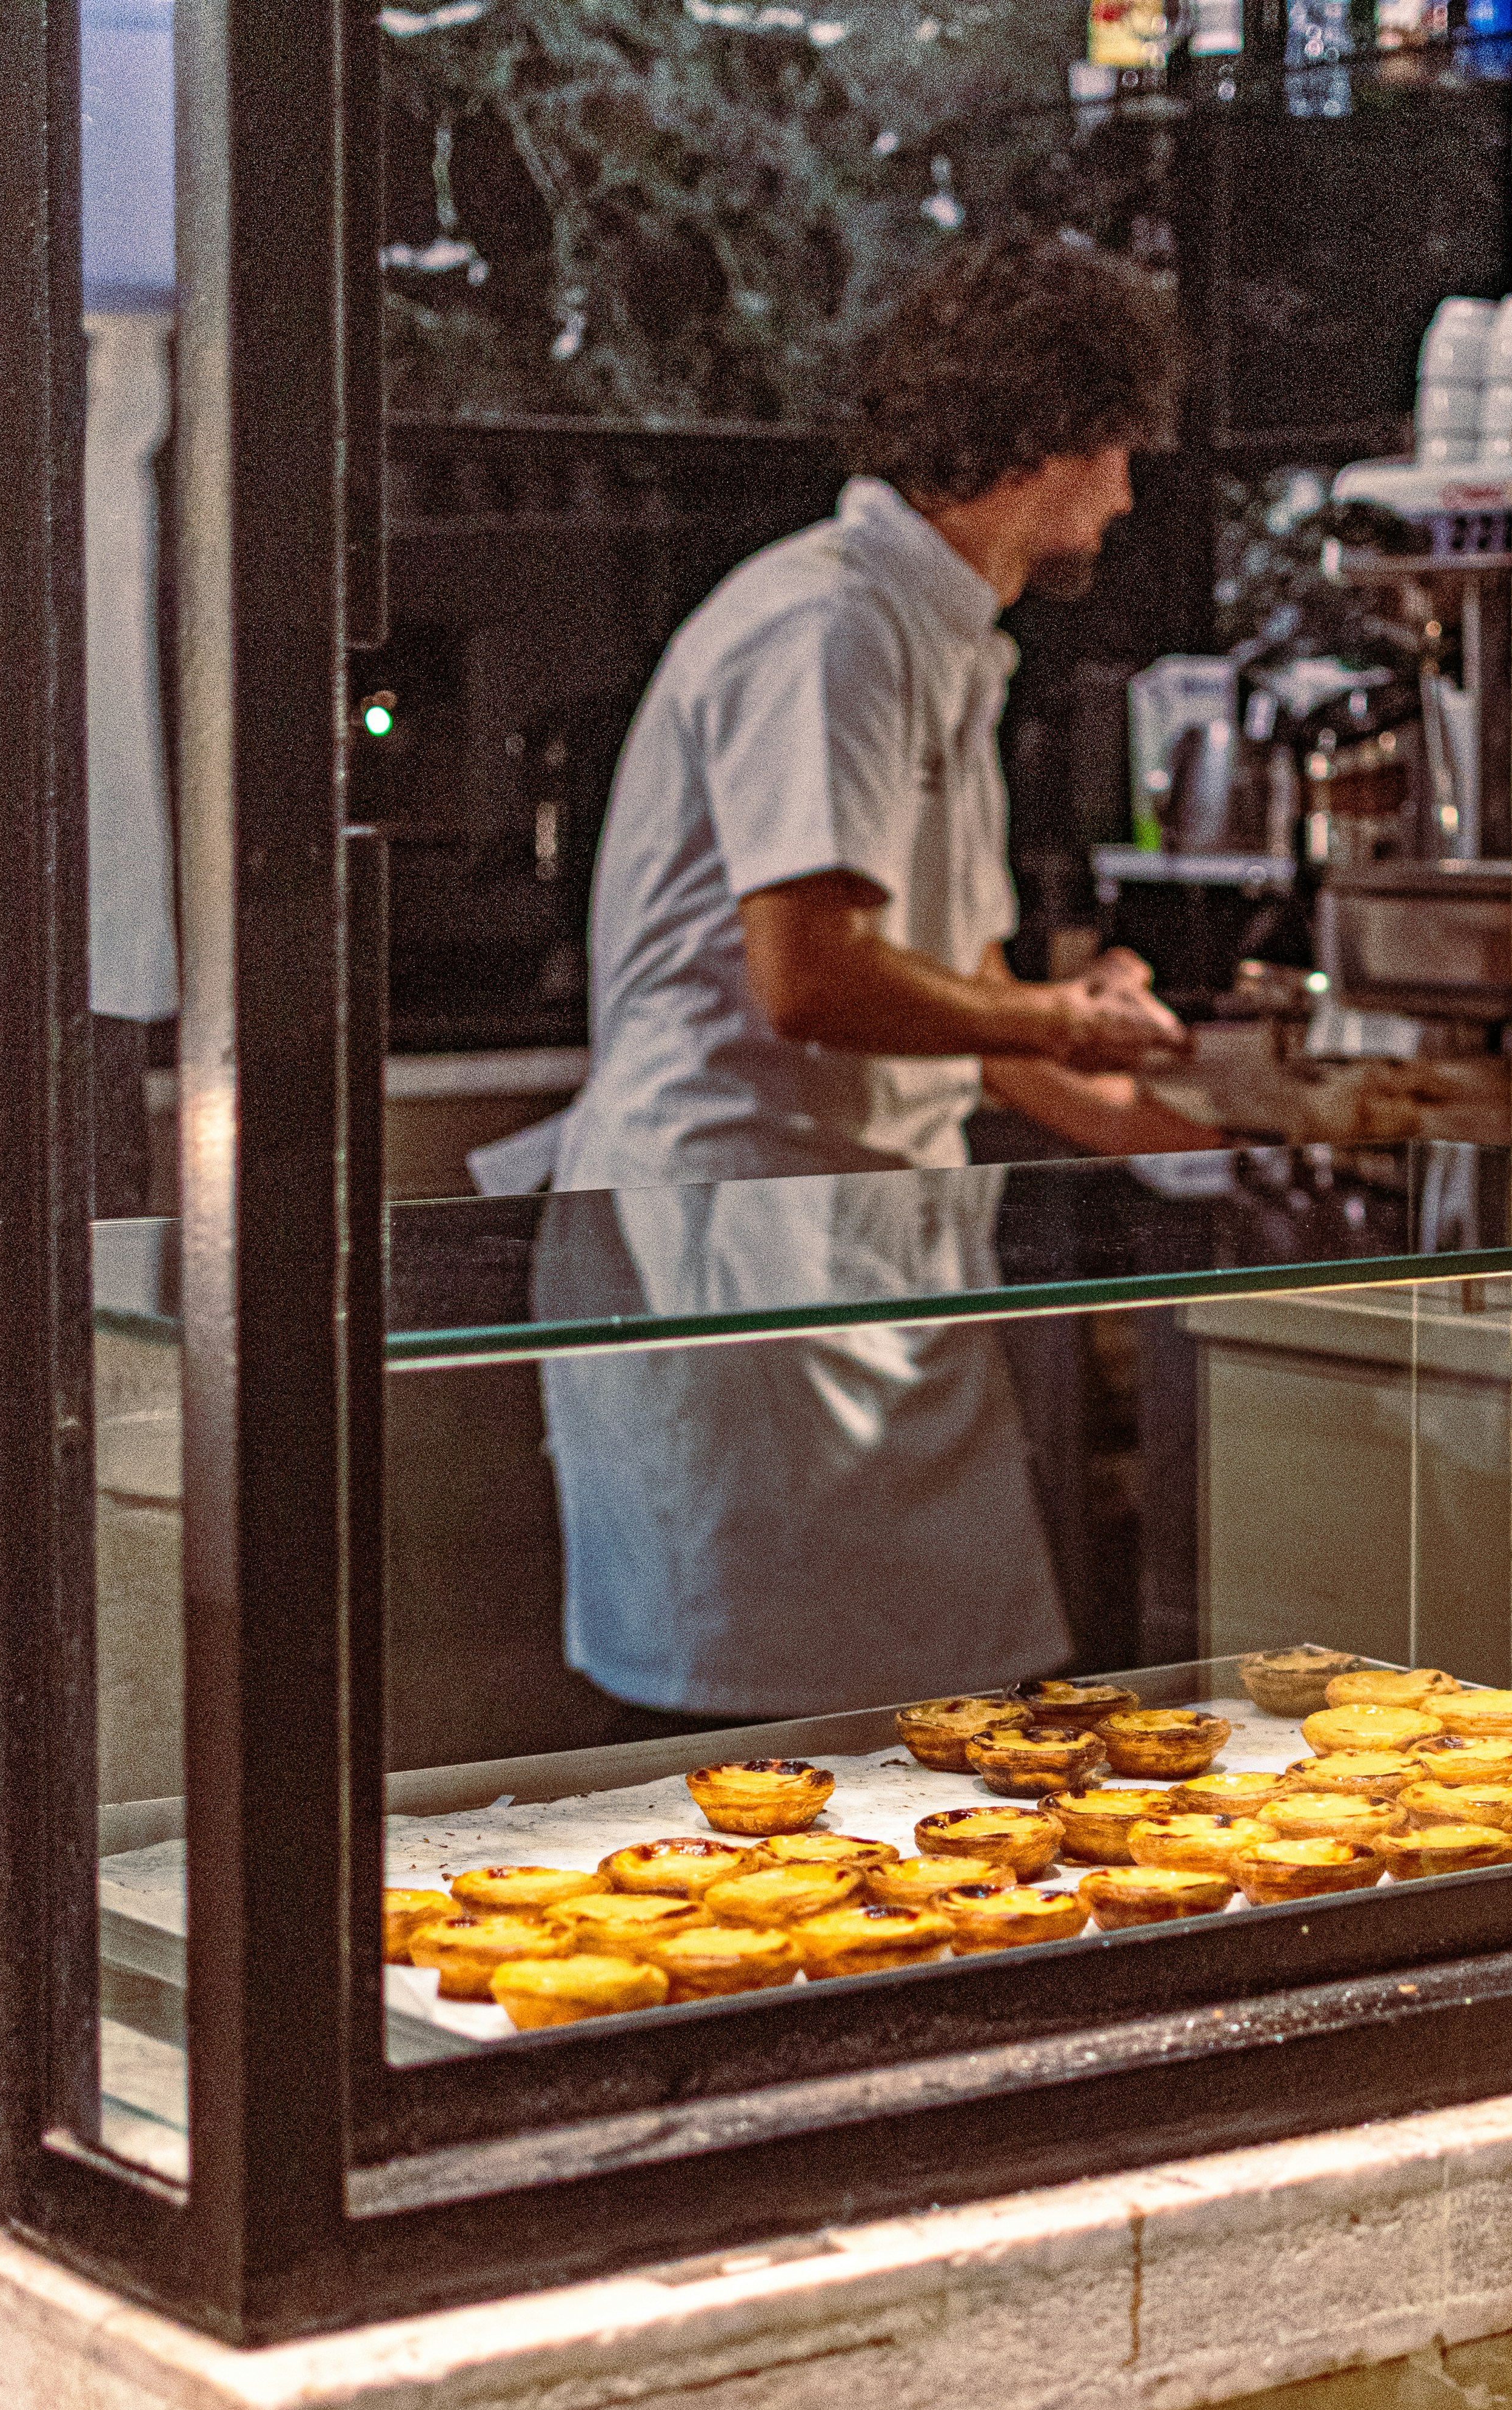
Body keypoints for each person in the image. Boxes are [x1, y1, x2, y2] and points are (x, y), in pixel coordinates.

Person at [533, 235, 1194, 1729]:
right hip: (742, 1256)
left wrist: (1212, 1140)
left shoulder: (939, 635)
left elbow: (956, 991)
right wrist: (1060, 1013)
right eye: (1121, 451)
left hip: (859, 1249)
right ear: (1051, 441)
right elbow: (813, 977)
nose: (1129, 495)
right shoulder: (828, 624)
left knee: (945, 1721)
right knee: (781, 1758)